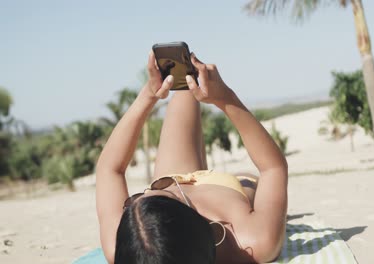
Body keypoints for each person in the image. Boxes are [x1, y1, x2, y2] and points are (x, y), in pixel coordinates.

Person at [95, 50, 288, 264]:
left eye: (138, 197)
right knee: (248, 181)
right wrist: (225, 98)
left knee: (187, 84)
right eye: (155, 195)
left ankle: (182, 74)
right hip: (230, 190)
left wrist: (149, 95)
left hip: (176, 175)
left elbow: (108, 169)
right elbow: (273, 168)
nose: (142, 195)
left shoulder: (124, 249)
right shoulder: (252, 241)